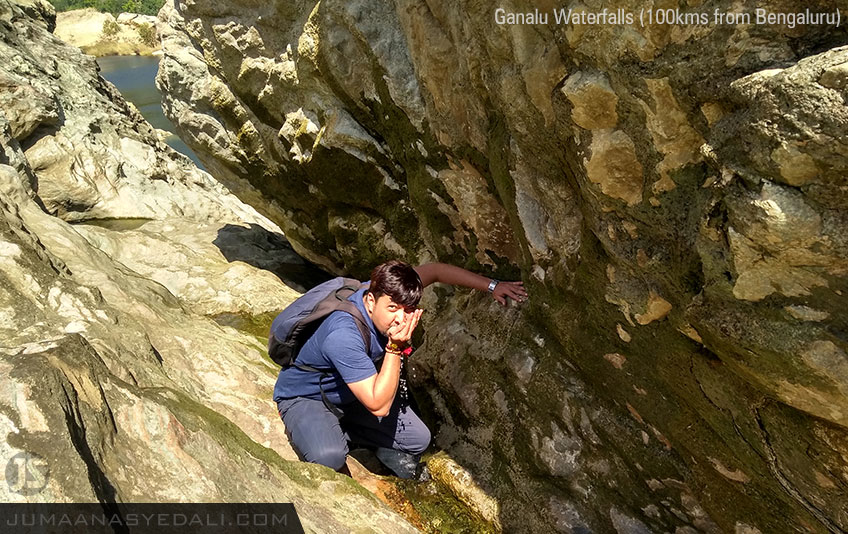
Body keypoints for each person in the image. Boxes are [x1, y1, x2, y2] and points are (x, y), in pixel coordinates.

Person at [274, 260, 527, 478]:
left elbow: (437, 271)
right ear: (371, 300)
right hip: (307, 397)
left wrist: (493, 286)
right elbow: (378, 405)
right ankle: (325, 430)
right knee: (328, 457)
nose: (400, 319)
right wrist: (395, 347)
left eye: (408, 310)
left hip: (352, 395)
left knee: (417, 439)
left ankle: (348, 431)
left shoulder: (394, 291)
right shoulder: (343, 333)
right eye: (392, 309)